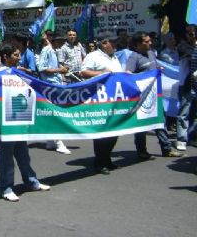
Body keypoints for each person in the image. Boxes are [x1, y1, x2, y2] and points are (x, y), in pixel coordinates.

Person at [0, 44, 50, 202]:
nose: (19, 58)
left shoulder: (18, 73)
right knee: (6, 156)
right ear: (6, 57)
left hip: (19, 117)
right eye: (16, 55)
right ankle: (6, 187)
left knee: (23, 153)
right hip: (7, 120)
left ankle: (31, 181)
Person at [126, 32, 183, 159]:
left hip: (155, 95)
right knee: (141, 125)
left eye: (149, 41)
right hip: (141, 98)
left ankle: (166, 149)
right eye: (146, 41)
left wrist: (158, 69)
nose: (150, 43)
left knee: (160, 122)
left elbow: (153, 66)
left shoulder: (151, 53)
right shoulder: (134, 57)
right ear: (138, 44)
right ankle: (141, 151)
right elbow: (128, 74)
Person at [81, 34, 124, 174]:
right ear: (104, 43)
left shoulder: (114, 57)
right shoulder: (93, 56)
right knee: (102, 132)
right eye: (113, 42)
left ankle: (107, 159)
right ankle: (99, 162)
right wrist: (101, 73)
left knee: (114, 131)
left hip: (115, 100)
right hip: (100, 99)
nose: (115, 45)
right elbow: (83, 72)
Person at [37, 33, 71, 155]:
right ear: (55, 40)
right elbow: (42, 68)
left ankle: (50, 140)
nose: (63, 43)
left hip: (55, 84)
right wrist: (59, 70)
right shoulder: (46, 50)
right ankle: (59, 142)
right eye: (61, 40)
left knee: (52, 112)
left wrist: (61, 68)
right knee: (56, 113)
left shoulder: (55, 51)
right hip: (49, 86)